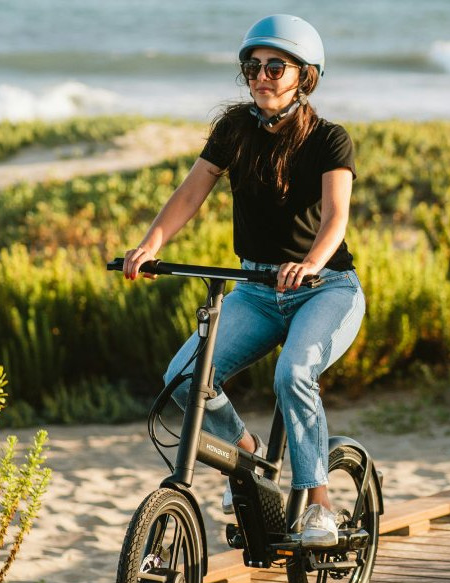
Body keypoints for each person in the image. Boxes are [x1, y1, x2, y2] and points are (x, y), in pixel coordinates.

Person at [122, 14, 365, 548]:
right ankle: (249, 457)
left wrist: (312, 263)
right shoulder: (233, 130)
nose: (261, 75)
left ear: (305, 75)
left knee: (293, 373)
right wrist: (150, 245)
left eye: (275, 66)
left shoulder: (330, 139)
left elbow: (335, 218)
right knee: (183, 379)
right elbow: (190, 194)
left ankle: (320, 505)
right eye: (252, 66)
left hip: (326, 291)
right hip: (256, 292)